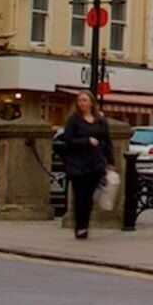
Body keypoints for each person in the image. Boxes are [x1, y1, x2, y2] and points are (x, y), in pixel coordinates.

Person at [50, 101, 114, 242]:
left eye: (85, 100)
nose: (82, 103)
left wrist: (110, 161)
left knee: (89, 196)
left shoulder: (100, 121)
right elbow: (68, 139)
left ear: (91, 103)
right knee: (80, 195)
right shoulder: (74, 120)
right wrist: (86, 141)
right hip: (77, 163)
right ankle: (80, 226)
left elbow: (106, 141)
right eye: (80, 101)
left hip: (95, 163)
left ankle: (84, 224)